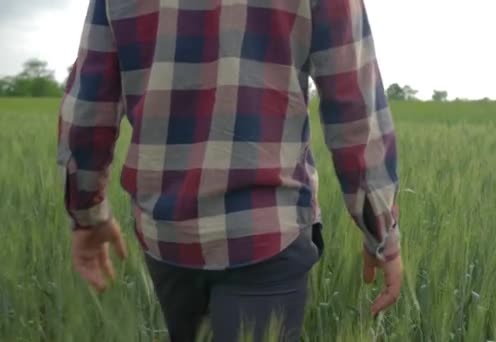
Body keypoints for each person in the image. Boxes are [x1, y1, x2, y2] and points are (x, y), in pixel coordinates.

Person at [57, 0, 402, 341]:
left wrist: (87, 214)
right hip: (270, 229)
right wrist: (382, 233)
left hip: (166, 232)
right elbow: (355, 104)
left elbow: (89, 104)